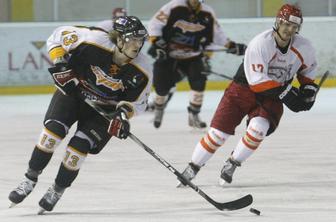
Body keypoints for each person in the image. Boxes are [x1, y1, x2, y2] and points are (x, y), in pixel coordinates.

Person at [8, 16, 152, 213]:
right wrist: (61, 65)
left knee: (79, 147)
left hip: (104, 110)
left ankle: (57, 190)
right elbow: (57, 37)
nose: (138, 45)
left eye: (140, 40)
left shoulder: (143, 70)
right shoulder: (92, 40)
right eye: (132, 39)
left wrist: (123, 114)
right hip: (74, 93)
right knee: (52, 133)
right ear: (119, 39)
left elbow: (138, 103)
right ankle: (29, 179)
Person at [178, 4, 318, 186]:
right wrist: (287, 93)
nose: (289, 29)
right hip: (242, 90)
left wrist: (308, 90)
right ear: (277, 22)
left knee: (258, 130)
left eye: (294, 26)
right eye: (286, 24)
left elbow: (308, 71)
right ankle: (193, 167)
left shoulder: (304, 47)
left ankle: (232, 163)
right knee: (217, 134)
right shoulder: (260, 43)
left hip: (272, 96)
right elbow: (257, 82)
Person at [147, 0, 246, 129]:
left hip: (193, 56)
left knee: (199, 83)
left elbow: (217, 34)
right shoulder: (174, 6)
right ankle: (159, 108)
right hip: (168, 55)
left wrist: (231, 45)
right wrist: (157, 41)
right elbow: (155, 24)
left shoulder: (207, 12)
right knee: (161, 87)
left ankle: (194, 116)